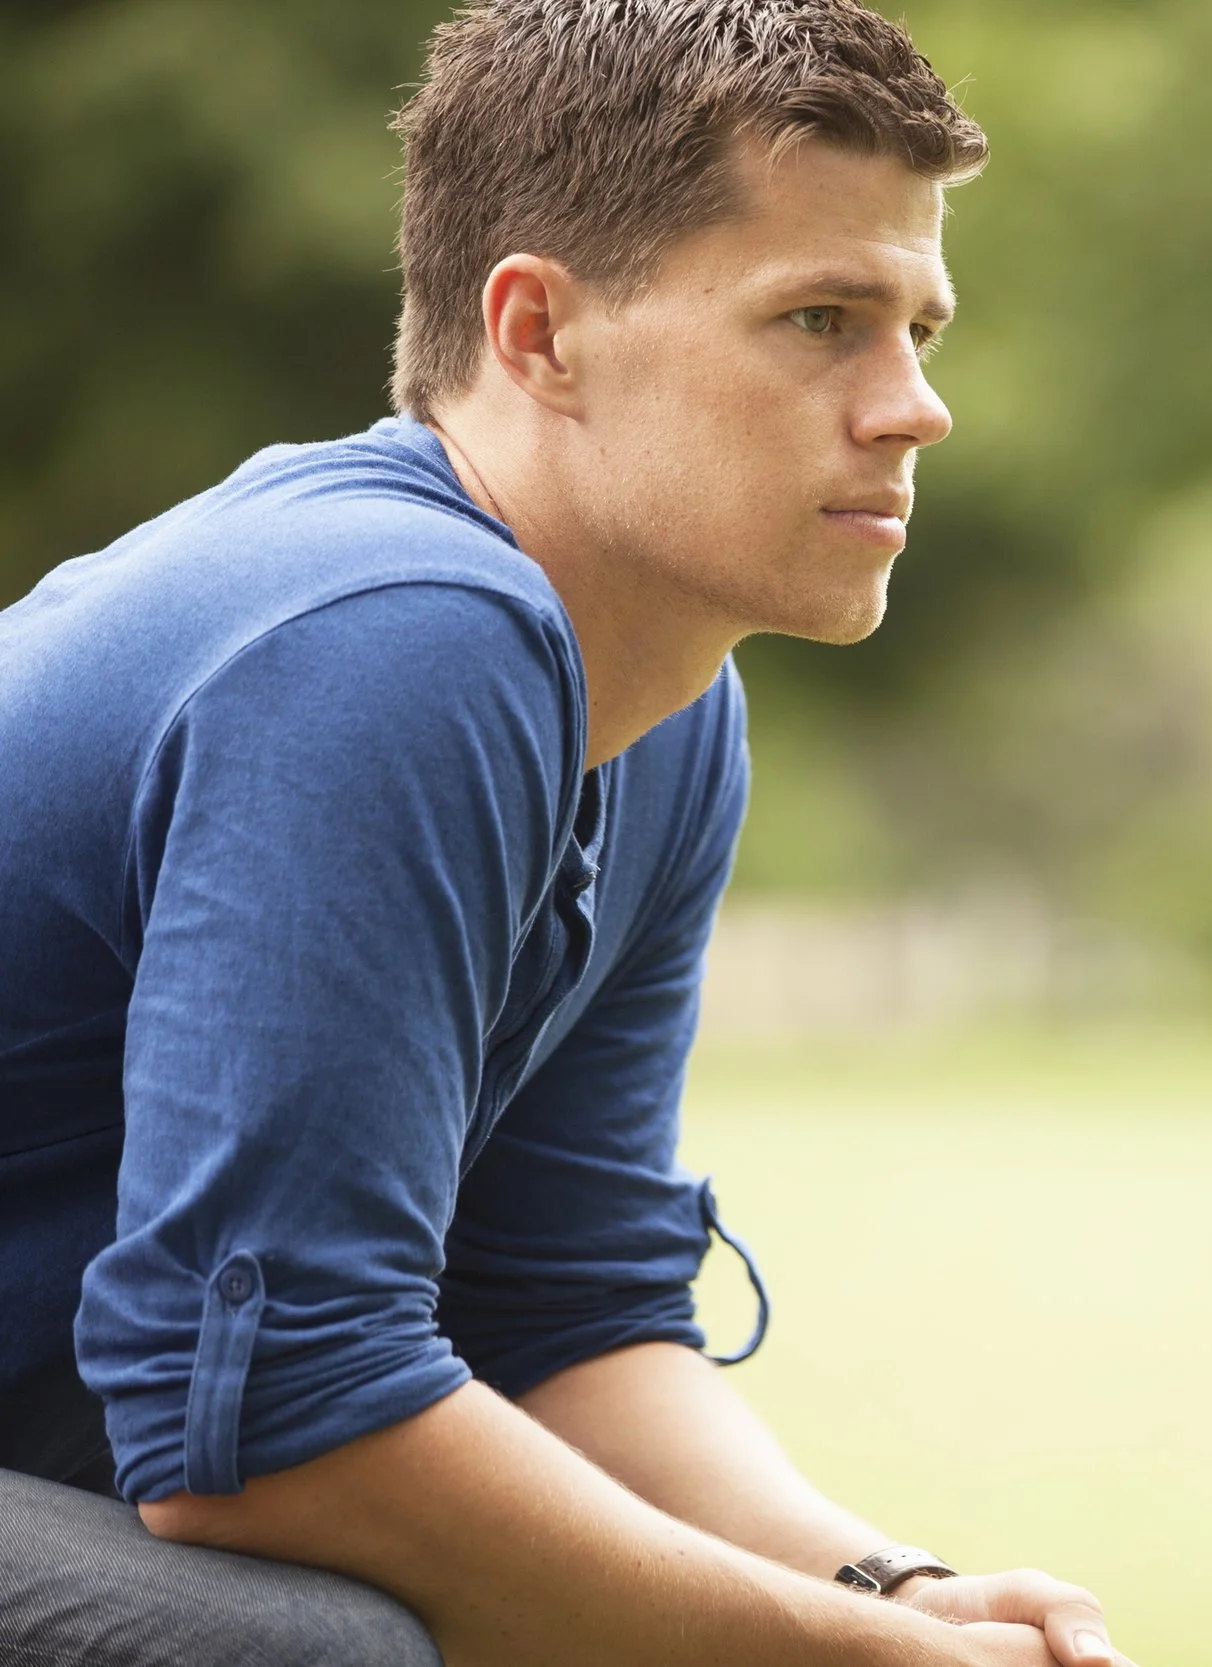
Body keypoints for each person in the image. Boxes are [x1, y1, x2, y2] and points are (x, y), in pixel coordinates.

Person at [0, 3, 1136, 1663]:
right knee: (306, 1645)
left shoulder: (662, 703)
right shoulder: (394, 637)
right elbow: (267, 1422)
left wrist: (887, 1587)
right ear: (539, 334)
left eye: (919, 330)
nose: (912, 408)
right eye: (820, 319)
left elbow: (563, 1306)